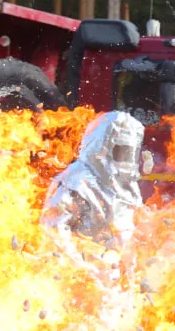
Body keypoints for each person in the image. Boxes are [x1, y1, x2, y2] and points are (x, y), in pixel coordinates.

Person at [41, 111, 146, 284]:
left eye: (130, 152)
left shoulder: (126, 186)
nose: (126, 159)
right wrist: (87, 264)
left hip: (117, 279)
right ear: (101, 145)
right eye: (120, 151)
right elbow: (55, 231)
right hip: (80, 280)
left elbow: (132, 230)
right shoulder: (76, 182)